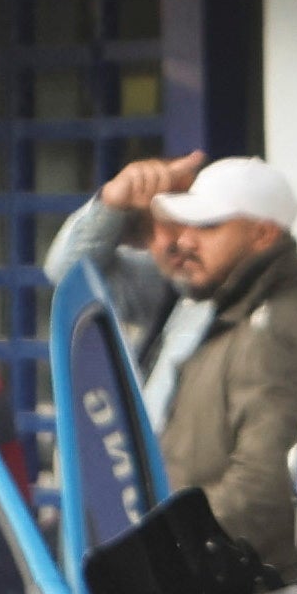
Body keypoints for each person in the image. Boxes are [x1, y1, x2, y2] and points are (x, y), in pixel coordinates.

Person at [143, 158, 297, 573]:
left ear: (262, 234)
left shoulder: (273, 329)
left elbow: (264, 488)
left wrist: (163, 561)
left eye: (209, 227)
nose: (185, 241)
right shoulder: (239, 309)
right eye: (187, 225)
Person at [43, 150, 218, 427]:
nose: (168, 241)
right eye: (151, 228)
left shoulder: (261, 307)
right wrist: (111, 203)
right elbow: (67, 275)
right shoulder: (168, 288)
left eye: (182, 220)